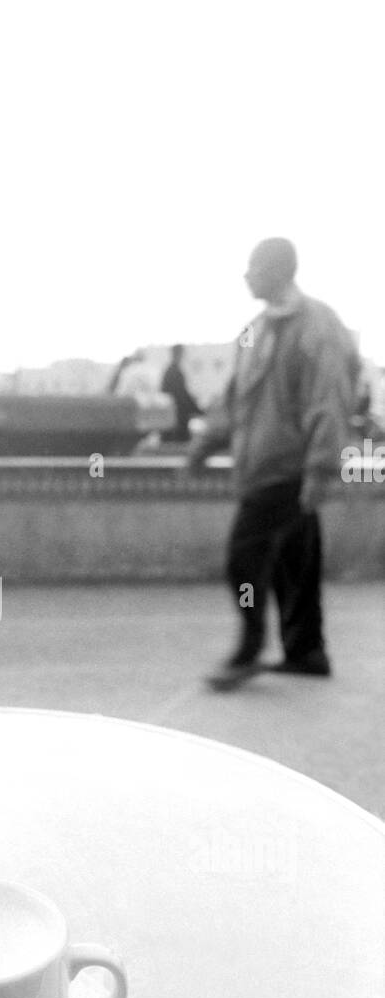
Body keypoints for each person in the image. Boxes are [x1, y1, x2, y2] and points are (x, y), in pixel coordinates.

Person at [188, 238, 359, 691]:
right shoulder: (254, 330)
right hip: (264, 467)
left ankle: (248, 646)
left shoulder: (317, 327)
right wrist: (206, 443)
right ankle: (307, 652)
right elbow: (233, 398)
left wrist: (321, 469)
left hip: (289, 470)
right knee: (294, 560)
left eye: (255, 267)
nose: (247, 275)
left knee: (243, 558)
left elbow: (329, 401)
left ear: (280, 270)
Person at [160, 344, 200, 442]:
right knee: (178, 441)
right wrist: (196, 409)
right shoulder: (174, 371)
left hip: (174, 412)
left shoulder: (171, 370)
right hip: (177, 413)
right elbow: (181, 393)